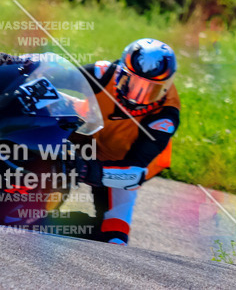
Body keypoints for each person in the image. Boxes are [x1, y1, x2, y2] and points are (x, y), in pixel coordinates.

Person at [74, 38, 180, 245]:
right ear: (120, 71)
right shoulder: (104, 72)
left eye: (151, 89)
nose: (137, 97)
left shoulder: (166, 114)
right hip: (88, 138)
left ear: (165, 88)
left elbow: (134, 171)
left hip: (122, 167)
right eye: (131, 83)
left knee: (115, 240)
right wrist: (18, 64)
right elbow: (55, 73)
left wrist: (89, 171)